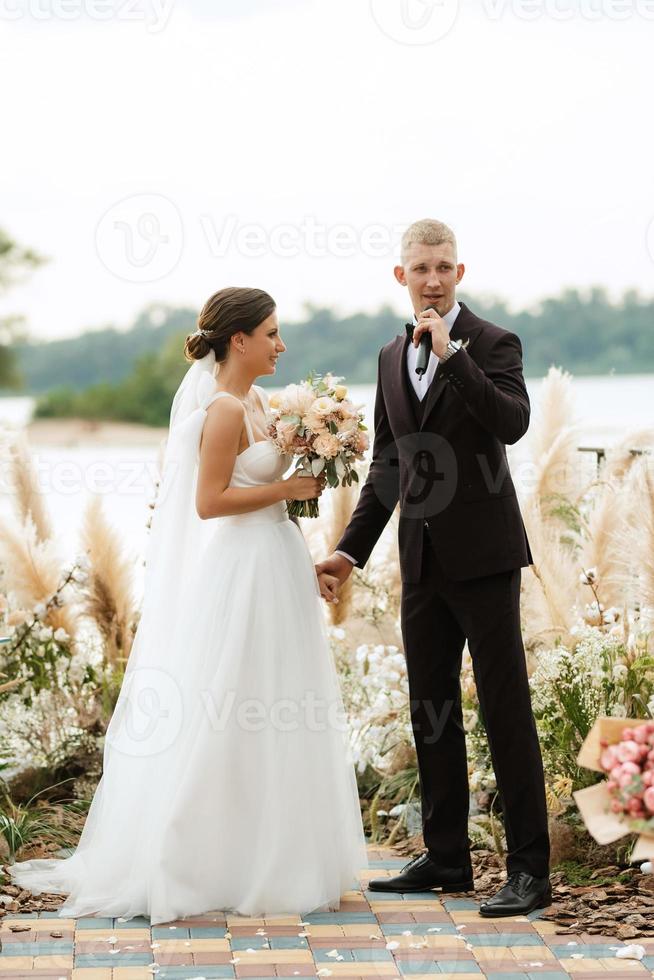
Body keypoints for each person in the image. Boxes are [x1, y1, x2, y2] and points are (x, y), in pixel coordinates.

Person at [8, 286, 367, 925]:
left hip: (278, 558)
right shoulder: (224, 410)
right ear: (240, 341)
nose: (281, 345)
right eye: (272, 334)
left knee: (282, 698)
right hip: (239, 566)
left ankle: (279, 849)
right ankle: (202, 854)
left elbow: (265, 497)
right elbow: (208, 503)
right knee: (229, 702)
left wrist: (302, 533)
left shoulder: (262, 402)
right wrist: (288, 484)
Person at [315, 220, 551, 918]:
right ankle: (447, 859)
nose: (433, 278)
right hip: (419, 560)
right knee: (433, 709)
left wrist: (453, 358)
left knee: (506, 710)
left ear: (460, 272)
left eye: (445, 266)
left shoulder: (494, 342)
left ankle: (529, 872)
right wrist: (349, 551)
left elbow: (511, 422)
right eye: (420, 267)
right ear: (400, 276)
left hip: (485, 557)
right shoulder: (389, 357)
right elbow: (387, 466)